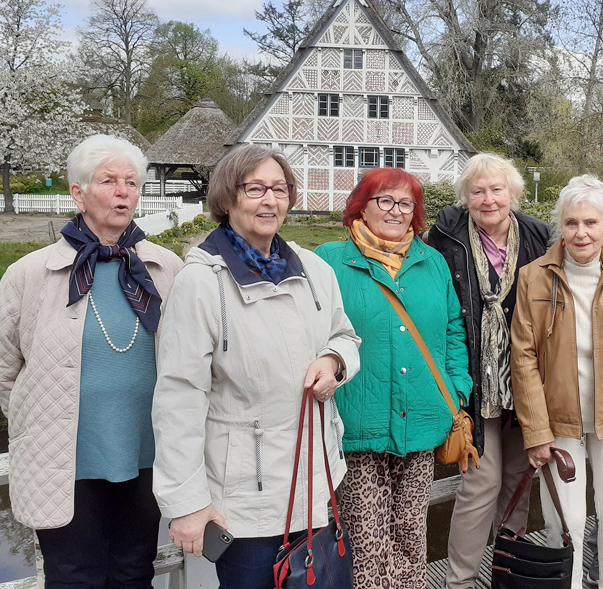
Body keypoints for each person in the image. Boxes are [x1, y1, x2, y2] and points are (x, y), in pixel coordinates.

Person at [152, 144, 361, 589]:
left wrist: (335, 360)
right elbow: (178, 398)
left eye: (280, 189)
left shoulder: (316, 270)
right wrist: (187, 504)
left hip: (314, 482)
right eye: (256, 189)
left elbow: (345, 336)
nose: (271, 200)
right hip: (246, 498)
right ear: (227, 199)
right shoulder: (200, 284)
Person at [0, 134, 182, 588]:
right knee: (72, 576)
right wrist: (38, 419)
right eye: (108, 181)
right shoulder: (30, 274)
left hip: (146, 452)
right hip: (64, 457)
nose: (123, 192)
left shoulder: (166, 268)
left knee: (134, 571)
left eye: (131, 182)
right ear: (78, 193)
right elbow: (5, 369)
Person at [316, 168, 471, 588]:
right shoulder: (329, 260)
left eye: (406, 203)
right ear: (361, 208)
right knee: (368, 545)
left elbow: (453, 331)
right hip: (357, 423)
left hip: (422, 419)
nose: (396, 211)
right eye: (384, 200)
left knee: (411, 538)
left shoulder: (432, 261)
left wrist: (456, 392)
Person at [512, 174, 603, 589]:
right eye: (572, 223)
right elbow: (522, 359)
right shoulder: (533, 277)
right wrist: (536, 432)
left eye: (591, 223)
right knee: (567, 518)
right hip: (558, 419)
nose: (581, 233)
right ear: (560, 225)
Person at [428, 153, 552, 589]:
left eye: (497, 189)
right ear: (466, 198)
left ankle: (505, 573)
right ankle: (460, 580)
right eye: (478, 191)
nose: (488, 199)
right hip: (473, 381)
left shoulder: (539, 235)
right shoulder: (447, 235)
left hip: (526, 380)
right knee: (481, 484)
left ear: (512, 193)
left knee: (518, 481)